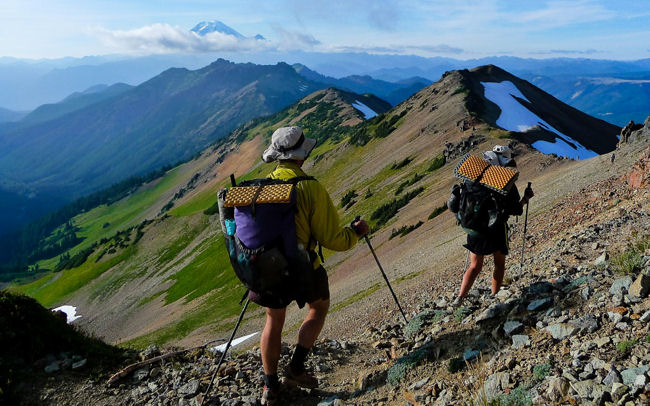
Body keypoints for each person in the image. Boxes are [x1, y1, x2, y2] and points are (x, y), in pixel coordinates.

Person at [255, 126, 369, 405]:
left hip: (266, 268)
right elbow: (333, 239)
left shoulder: (260, 187)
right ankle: (295, 367)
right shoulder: (309, 187)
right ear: (301, 155)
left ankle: (270, 387)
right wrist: (355, 233)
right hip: (302, 267)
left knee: (273, 319)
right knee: (318, 307)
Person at [453, 145, 534, 305]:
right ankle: (494, 296)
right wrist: (525, 199)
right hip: (496, 229)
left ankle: (460, 298)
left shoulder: (472, 178)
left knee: (475, 266)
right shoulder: (505, 182)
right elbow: (516, 209)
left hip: (473, 228)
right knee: (499, 264)